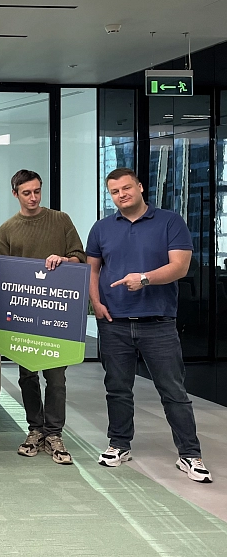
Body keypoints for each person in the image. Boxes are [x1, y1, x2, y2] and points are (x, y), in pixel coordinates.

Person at [87, 168, 213, 483]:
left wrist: (144, 279)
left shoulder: (170, 222)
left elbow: (180, 266)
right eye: (115, 191)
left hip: (158, 322)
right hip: (114, 322)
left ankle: (190, 454)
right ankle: (119, 444)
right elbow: (92, 270)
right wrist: (96, 304)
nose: (121, 195)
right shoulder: (102, 228)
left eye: (126, 188)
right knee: (117, 389)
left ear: (141, 187)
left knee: (173, 391)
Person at [0, 169, 85, 465]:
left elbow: (79, 256)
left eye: (37, 191)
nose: (33, 198)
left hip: (56, 311)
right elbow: (5, 273)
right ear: (15, 194)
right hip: (25, 313)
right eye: (26, 193)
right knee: (27, 375)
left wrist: (65, 260)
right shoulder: (7, 229)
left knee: (56, 377)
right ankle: (35, 429)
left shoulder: (61, 220)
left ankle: (54, 432)